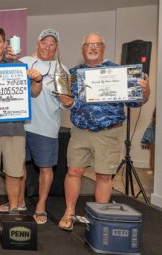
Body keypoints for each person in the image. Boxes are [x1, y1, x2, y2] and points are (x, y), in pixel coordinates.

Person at [58, 33, 150, 231]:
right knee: (73, 171)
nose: (92, 48)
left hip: (109, 133)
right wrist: (67, 102)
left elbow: (135, 102)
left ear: (103, 47)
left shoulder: (119, 72)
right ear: (82, 49)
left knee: (103, 176)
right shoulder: (74, 74)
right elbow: (70, 103)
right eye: (88, 45)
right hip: (80, 131)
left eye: (96, 44)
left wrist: (146, 91)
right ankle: (70, 212)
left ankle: (98, 217)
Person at [0, 27, 43, 231]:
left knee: (14, 173)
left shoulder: (19, 67)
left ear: (5, 44)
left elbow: (34, 93)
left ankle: (14, 210)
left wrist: (37, 80)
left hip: (14, 130)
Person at [16, 29, 74, 224]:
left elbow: (67, 102)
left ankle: (41, 206)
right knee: (19, 166)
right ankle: (19, 201)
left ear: (56, 47)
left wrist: (68, 102)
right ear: (37, 43)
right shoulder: (23, 62)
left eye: (52, 44)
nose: (47, 47)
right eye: (44, 42)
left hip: (46, 127)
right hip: (21, 126)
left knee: (46, 168)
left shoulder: (61, 70)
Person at [141, 109, 156, 175]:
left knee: (153, 155)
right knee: (153, 155)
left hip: (152, 131)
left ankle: (155, 174)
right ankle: (155, 174)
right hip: (153, 132)